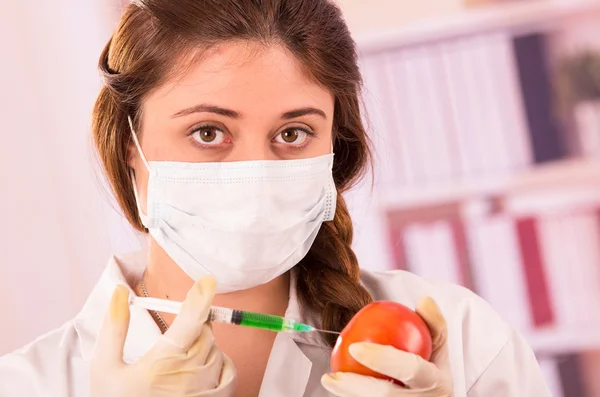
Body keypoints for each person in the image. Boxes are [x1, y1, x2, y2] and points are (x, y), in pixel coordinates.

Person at [0, 0, 551, 396]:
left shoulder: (459, 343)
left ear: (335, 146)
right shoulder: (31, 385)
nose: (254, 173)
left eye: (292, 134)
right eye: (208, 132)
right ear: (130, 148)